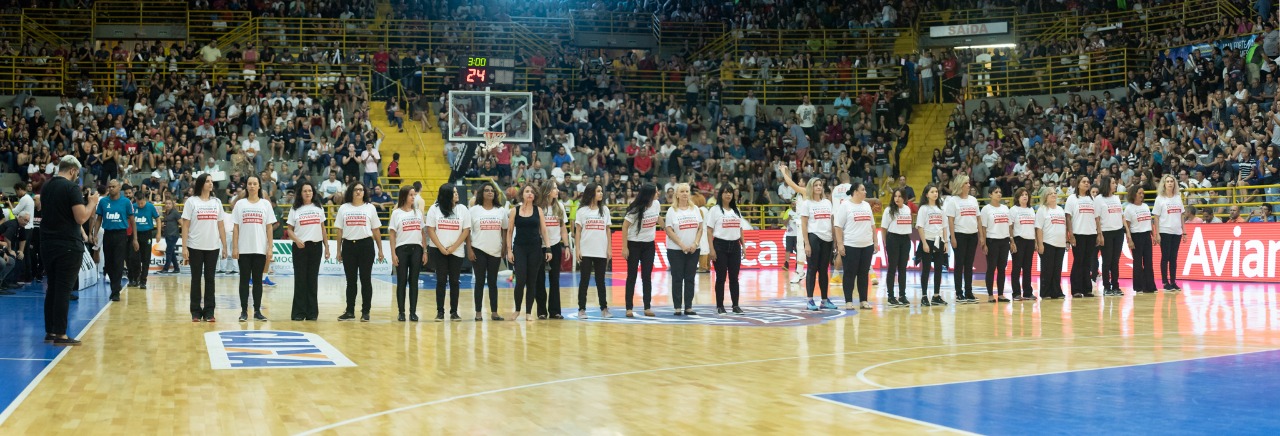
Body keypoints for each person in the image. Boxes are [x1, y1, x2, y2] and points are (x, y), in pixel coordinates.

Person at [42, 156, 98, 346]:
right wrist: (92, 203)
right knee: (63, 290)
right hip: (67, 244)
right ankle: (61, 334)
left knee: (53, 288)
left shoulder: (46, 186)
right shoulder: (71, 188)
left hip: (47, 243)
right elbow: (81, 217)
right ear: (73, 170)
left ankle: (50, 331)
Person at [779, 165, 836, 310]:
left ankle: (824, 299)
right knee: (812, 268)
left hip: (827, 239)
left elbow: (832, 221)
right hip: (812, 236)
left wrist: (835, 240)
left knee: (824, 270)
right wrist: (784, 172)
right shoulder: (806, 200)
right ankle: (810, 299)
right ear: (811, 187)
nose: (818, 187)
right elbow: (804, 224)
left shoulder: (827, 202)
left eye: (820, 185)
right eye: (816, 185)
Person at [335, 182, 385, 322]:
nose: (358, 192)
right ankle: (350, 311)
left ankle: (365, 311)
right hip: (349, 246)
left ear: (365, 192)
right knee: (350, 281)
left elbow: (376, 230)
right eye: (356, 189)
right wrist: (338, 250)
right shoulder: (344, 208)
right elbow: (339, 230)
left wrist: (380, 249)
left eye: (361, 190)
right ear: (351, 191)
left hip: (366, 246)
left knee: (365, 279)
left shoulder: (370, 208)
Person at [182, 173, 227, 322]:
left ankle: (209, 312)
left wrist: (224, 245)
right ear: (201, 184)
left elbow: (221, 225)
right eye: (207, 181)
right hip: (194, 246)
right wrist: (184, 247)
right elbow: (185, 225)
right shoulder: (191, 202)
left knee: (210, 279)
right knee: (196, 279)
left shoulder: (217, 202)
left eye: (211, 181)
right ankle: (195, 311)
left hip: (213, 247)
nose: (210, 184)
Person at [231, 176, 276, 322]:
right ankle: (244, 311)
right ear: (246, 187)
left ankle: (257, 311)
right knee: (244, 281)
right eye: (249, 184)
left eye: (254, 183)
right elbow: (236, 227)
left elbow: (269, 228)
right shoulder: (240, 204)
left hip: (260, 249)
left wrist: (270, 248)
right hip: (243, 249)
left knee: (258, 281)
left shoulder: (265, 204)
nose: (251, 186)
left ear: (259, 186)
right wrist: (235, 247)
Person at [507, 184, 551, 322]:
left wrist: (548, 248)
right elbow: (509, 232)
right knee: (520, 280)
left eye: (532, 192)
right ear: (522, 194)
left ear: (535, 195)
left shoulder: (539, 210)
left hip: (535, 249)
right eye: (527, 191)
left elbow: (543, 230)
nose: (529, 193)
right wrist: (509, 251)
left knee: (532, 281)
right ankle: (517, 310)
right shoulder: (515, 210)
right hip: (519, 248)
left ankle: (528, 312)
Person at [287, 181, 329, 321]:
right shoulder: (295, 209)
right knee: (300, 280)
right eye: (305, 191)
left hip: (316, 247)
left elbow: (323, 228)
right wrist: (297, 240)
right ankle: (298, 313)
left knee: (312, 280)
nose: (308, 193)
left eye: (310, 191)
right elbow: (289, 230)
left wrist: (327, 247)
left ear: (313, 192)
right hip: (300, 248)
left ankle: (312, 313)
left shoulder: (318, 208)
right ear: (301, 193)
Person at [426, 183, 470, 321]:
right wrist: (441, 247)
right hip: (439, 251)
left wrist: (453, 247)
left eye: (457, 192)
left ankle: (454, 312)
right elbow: (430, 230)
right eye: (454, 192)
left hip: (456, 251)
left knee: (455, 281)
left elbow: (466, 230)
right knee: (441, 281)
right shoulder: (434, 209)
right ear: (447, 195)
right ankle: (440, 312)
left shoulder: (463, 209)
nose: (457, 194)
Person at [834, 181, 877, 310]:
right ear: (855, 192)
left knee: (863, 274)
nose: (865, 192)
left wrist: (875, 242)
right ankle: (848, 301)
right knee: (849, 274)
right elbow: (838, 226)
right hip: (850, 245)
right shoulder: (845, 206)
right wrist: (840, 244)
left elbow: (872, 225)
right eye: (863, 190)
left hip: (867, 245)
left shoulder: (866, 206)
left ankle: (863, 300)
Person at [622, 183, 663, 317]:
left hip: (649, 245)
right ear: (649, 194)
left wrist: (667, 228)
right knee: (632, 276)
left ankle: (647, 307)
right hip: (634, 244)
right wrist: (624, 247)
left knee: (647, 276)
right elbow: (625, 227)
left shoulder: (656, 204)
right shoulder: (635, 209)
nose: (658, 194)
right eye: (656, 192)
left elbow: (658, 218)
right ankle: (629, 307)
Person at [467, 183, 506, 321]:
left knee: (493, 282)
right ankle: (478, 313)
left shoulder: (500, 210)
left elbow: (504, 229)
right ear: (481, 193)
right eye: (487, 190)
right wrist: (469, 249)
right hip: (478, 250)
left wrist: (504, 247)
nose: (490, 192)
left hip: (495, 250)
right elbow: (467, 231)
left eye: (492, 191)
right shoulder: (474, 210)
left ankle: (494, 312)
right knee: (479, 281)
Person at [390, 185, 427, 322]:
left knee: (414, 282)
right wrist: (393, 253)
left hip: (416, 249)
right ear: (404, 196)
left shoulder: (418, 213)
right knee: (401, 281)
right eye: (411, 195)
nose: (413, 197)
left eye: (414, 195)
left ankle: (413, 312)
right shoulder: (396, 213)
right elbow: (392, 235)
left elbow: (422, 233)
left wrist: (425, 251)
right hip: (401, 249)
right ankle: (401, 312)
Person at [706, 185, 745, 314]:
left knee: (734, 278)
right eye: (725, 192)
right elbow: (709, 230)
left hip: (735, 246)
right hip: (720, 246)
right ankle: (720, 306)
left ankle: (735, 305)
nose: (728, 195)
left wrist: (743, 245)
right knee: (721, 277)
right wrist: (711, 249)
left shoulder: (736, 211)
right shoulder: (714, 210)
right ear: (720, 194)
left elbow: (740, 229)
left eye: (730, 193)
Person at [94, 179, 135, 302]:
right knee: (109, 264)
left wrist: (135, 238)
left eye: (113, 186)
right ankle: (114, 285)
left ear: (119, 188)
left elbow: (133, 221)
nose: (110, 188)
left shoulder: (126, 202)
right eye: (109, 186)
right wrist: (95, 234)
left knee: (118, 263)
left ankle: (115, 291)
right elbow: (98, 219)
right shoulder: (103, 202)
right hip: (108, 234)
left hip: (121, 235)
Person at [574, 183, 611, 318]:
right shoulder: (582, 211)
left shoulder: (605, 210)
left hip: (600, 251)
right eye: (598, 191)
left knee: (601, 281)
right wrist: (577, 249)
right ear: (591, 193)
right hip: (586, 250)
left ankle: (604, 308)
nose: (601, 193)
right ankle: (581, 309)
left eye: (601, 191)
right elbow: (577, 231)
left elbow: (607, 230)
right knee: (584, 280)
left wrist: (609, 249)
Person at [535, 183, 569, 319]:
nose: (557, 190)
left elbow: (563, 228)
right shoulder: (538, 208)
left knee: (555, 278)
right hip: (539, 245)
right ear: (547, 191)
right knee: (539, 279)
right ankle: (541, 311)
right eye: (554, 188)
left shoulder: (559, 206)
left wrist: (566, 246)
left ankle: (555, 311)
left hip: (554, 245)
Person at [944, 178, 980, 303]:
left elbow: (978, 219)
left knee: (969, 265)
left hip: (972, 235)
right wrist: (952, 237)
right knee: (959, 264)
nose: (969, 185)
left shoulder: (973, 200)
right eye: (966, 183)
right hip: (959, 235)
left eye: (969, 182)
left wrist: (980, 236)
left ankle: (969, 292)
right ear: (960, 185)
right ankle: (959, 293)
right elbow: (950, 221)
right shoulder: (953, 201)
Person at [1064, 175, 1101, 298]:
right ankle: (1076, 289)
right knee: (1078, 261)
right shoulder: (1072, 199)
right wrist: (1071, 235)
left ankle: (1087, 289)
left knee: (1087, 262)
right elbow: (1068, 218)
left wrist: (1098, 234)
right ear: (1078, 184)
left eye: (1088, 182)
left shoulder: (1093, 200)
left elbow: (1096, 218)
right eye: (1084, 182)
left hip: (1091, 234)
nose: (1086, 184)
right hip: (1078, 234)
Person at [915, 184, 949, 306]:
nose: (935, 193)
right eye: (932, 191)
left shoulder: (941, 210)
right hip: (928, 241)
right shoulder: (923, 209)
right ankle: (924, 296)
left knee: (939, 269)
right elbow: (920, 227)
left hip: (939, 241)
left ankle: (936, 296)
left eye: (936, 191)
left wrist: (945, 242)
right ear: (926, 194)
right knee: (926, 269)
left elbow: (944, 227)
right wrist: (924, 243)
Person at [978, 186, 1012, 303]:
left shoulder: (1005, 208)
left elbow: (1009, 225)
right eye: (996, 192)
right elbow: (983, 227)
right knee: (991, 268)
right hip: (992, 241)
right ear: (990, 195)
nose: (999, 194)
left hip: (1004, 241)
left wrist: (1011, 240)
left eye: (1000, 192)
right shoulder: (986, 209)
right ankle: (990, 295)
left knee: (1002, 268)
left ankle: (1001, 294)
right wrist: (983, 242)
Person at [880, 188, 912, 307]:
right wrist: (885, 243)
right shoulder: (889, 210)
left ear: (904, 198)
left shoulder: (907, 209)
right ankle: (891, 296)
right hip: (893, 239)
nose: (897, 198)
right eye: (895, 196)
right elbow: (884, 228)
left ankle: (902, 295)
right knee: (892, 268)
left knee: (903, 268)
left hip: (905, 240)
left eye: (899, 196)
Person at [1152, 175, 1185, 292]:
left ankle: (1173, 281)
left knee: (1174, 257)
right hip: (1165, 230)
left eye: (1172, 181)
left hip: (1177, 231)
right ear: (1164, 184)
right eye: (1168, 182)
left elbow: (1181, 214)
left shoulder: (1178, 197)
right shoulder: (1160, 199)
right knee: (1165, 256)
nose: (1170, 183)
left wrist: (1184, 231)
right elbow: (1156, 217)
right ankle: (1165, 282)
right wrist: (1157, 233)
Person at [1123, 187, 1158, 294]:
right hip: (1136, 236)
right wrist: (1130, 240)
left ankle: (1150, 286)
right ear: (1134, 194)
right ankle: (1138, 287)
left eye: (1143, 193)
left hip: (1147, 236)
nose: (1142, 195)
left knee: (1148, 262)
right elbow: (1127, 227)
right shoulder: (1129, 208)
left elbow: (1149, 222)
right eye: (1139, 193)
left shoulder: (1146, 206)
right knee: (1137, 263)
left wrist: (1154, 235)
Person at [1035, 190, 1068, 299]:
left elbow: (1064, 226)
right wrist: (1040, 244)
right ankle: (1045, 292)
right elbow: (1038, 228)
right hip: (1047, 243)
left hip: (1060, 244)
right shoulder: (1042, 210)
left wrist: (1066, 240)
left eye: (1054, 193)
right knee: (1047, 269)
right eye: (1050, 193)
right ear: (1045, 197)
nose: (1054, 195)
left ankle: (1056, 291)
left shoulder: (1060, 209)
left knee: (1057, 269)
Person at [1096, 176, 1125, 296]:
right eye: (1113, 183)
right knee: (1107, 261)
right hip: (1106, 232)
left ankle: (1116, 285)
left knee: (1115, 261)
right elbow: (1097, 218)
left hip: (1118, 232)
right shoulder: (1098, 199)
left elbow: (1121, 215)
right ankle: (1106, 287)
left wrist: (1126, 232)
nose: (1115, 185)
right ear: (1107, 184)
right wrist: (1100, 234)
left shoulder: (1117, 198)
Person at [1009, 188, 1037, 300]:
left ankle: (1027, 292)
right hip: (1018, 240)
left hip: (1030, 241)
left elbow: (1034, 227)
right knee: (1016, 267)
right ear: (1017, 197)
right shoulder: (1014, 210)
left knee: (1027, 267)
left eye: (1026, 194)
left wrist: (1035, 241)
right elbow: (1010, 226)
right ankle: (1016, 293)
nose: (1025, 196)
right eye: (1022, 195)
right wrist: (1012, 241)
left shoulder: (1031, 210)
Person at [129, 188, 160, 289]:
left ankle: (143, 281)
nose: (140, 205)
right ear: (136, 200)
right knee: (134, 258)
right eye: (139, 203)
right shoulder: (132, 207)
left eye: (142, 203)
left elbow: (158, 219)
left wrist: (159, 232)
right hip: (135, 235)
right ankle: (136, 278)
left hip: (147, 234)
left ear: (144, 199)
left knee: (146, 258)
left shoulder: (151, 207)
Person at [0, 213, 30, 291]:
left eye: (28, 221)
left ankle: (12, 280)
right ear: (19, 218)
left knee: (19, 257)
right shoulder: (13, 224)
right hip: (2, 245)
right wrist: (10, 251)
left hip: (7, 246)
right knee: (11, 258)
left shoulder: (21, 226)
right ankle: (5, 282)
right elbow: (7, 237)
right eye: (25, 220)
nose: (26, 222)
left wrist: (21, 251)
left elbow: (23, 239)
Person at [158, 198, 181, 275]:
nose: (167, 205)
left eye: (169, 203)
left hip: (173, 235)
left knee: (168, 251)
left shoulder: (175, 213)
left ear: (172, 204)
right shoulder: (166, 213)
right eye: (166, 203)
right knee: (172, 252)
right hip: (168, 235)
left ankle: (165, 268)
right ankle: (176, 268)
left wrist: (184, 233)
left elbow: (182, 223)